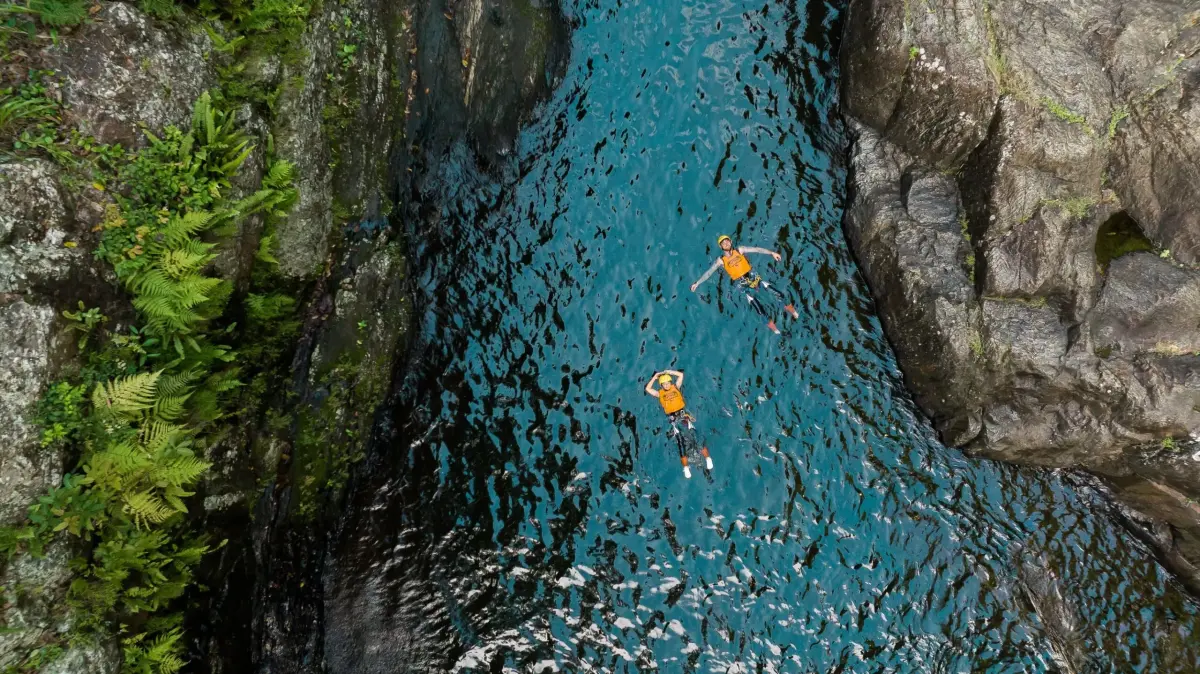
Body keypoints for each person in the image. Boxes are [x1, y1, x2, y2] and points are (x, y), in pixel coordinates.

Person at [690, 234, 800, 334]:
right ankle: (776, 331)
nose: (726, 243)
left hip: (754, 278)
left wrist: (772, 253)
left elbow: (756, 249)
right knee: (760, 312)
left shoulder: (740, 249)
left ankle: (794, 313)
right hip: (744, 286)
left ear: (731, 242)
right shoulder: (721, 261)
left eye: (727, 241)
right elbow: (709, 272)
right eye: (723, 243)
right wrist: (697, 283)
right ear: (721, 247)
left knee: (780, 295)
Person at [644, 369, 712, 478]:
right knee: (681, 444)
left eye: (667, 383)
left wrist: (668, 371)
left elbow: (681, 375)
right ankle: (685, 468)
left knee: (696, 438)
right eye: (663, 384)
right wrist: (655, 376)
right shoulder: (659, 393)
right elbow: (648, 389)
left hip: (684, 417)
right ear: (661, 385)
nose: (666, 385)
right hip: (674, 421)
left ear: (671, 383)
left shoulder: (676, 387)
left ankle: (708, 458)